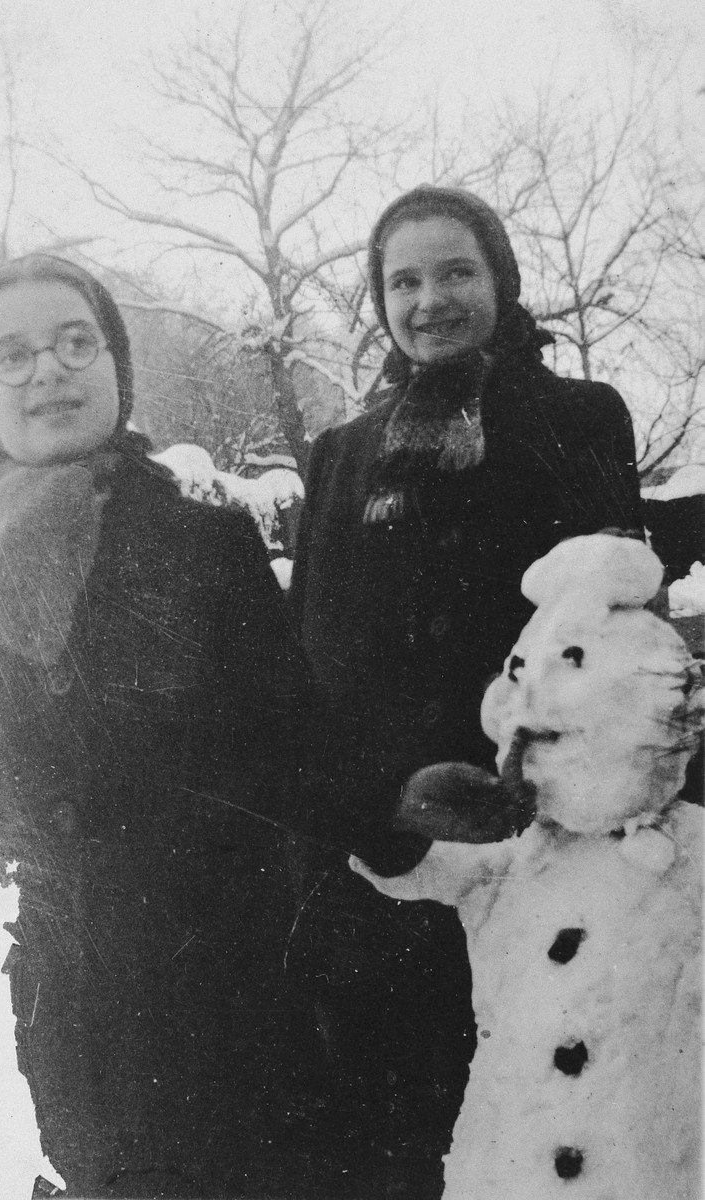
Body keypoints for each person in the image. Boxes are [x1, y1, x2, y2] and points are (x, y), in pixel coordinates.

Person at [0, 254, 315, 1198]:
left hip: (208, 989)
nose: (50, 371)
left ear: (116, 362)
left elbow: (291, 754)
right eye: (15, 355)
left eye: (77, 342)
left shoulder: (204, 542)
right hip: (22, 998)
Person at [287, 186, 644, 1199]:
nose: (428, 300)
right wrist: (367, 813)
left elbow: (597, 631)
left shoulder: (574, 415)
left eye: (454, 272)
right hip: (381, 853)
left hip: (529, 850)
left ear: (499, 279)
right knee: (393, 1145)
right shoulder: (342, 453)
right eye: (402, 280)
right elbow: (313, 652)